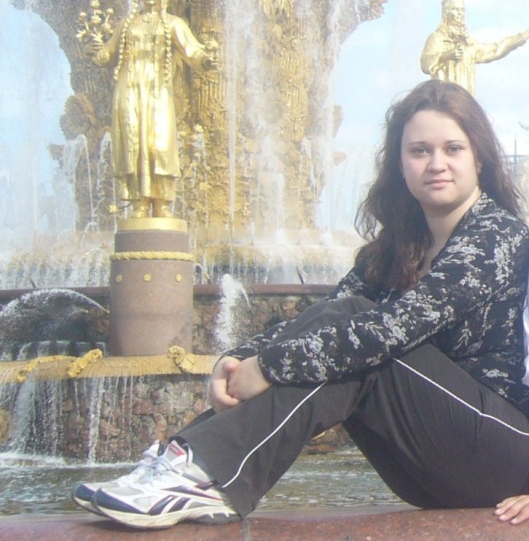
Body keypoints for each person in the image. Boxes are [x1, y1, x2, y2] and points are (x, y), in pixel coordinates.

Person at [74, 80, 529, 528]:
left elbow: (392, 328)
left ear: (479, 158)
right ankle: (187, 460)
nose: (436, 164)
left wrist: (269, 367)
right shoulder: (396, 248)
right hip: (428, 464)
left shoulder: (498, 236)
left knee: (361, 333)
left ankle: (204, 471)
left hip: (504, 456)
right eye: (419, 151)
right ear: (400, 163)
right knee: (343, 320)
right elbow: (325, 314)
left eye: (453, 149)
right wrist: (237, 360)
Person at [88, 0, 215, 218]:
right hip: (129, 88)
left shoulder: (173, 23)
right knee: (133, 142)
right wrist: (95, 50)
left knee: (159, 142)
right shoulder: (127, 24)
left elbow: (192, 51)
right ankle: (140, 202)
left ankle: (162, 202)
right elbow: (108, 53)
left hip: (158, 89)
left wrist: (207, 60)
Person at [420, 0, 529, 95]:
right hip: (443, 101)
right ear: (446, 12)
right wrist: (446, 56)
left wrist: (524, 36)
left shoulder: (469, 44)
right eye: (455, 9)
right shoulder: (436, 39)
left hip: (464, 102)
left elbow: (496, 50)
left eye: (462, 10)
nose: (460, 13)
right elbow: (425, 64)